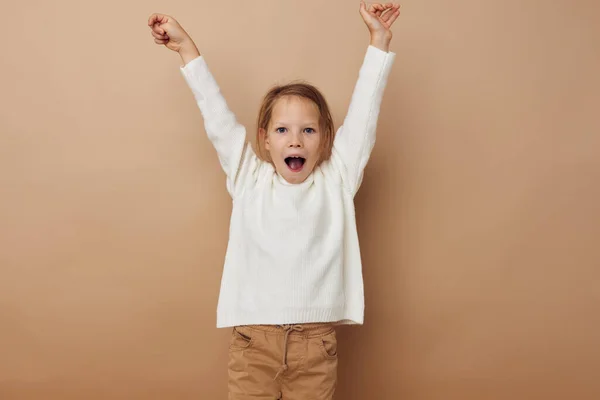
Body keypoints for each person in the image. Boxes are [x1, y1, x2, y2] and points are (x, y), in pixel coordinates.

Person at [147, 2, 400, 399]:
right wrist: (187, 50)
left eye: (308, 130)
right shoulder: (249, 178)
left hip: (314, 345)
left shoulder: (337, 179)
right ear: (264, 139)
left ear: (326, 140)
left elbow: (365, 113)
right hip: (253, 344)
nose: (295, 139)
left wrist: (379, 42)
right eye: (282, 129)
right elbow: (216, 118)